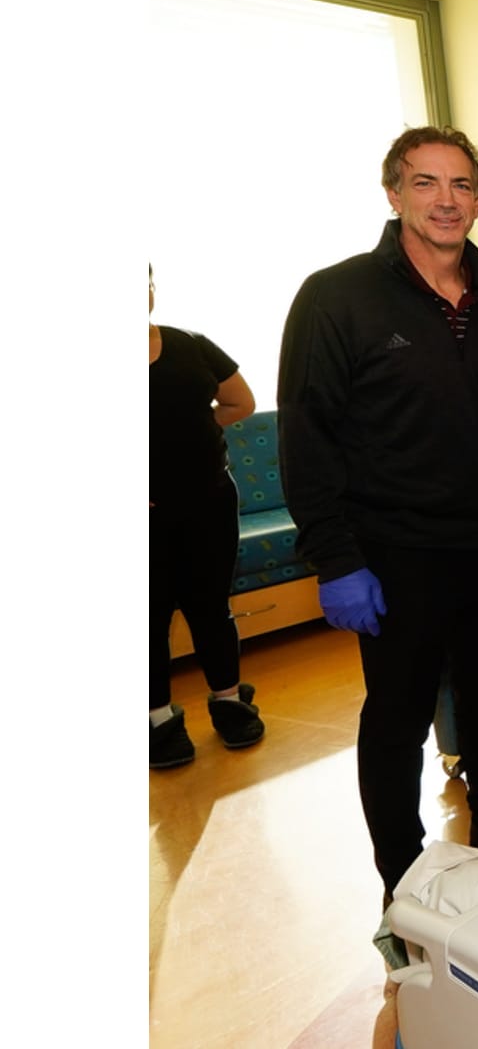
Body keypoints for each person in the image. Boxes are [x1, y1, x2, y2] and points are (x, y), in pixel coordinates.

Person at [279, 126, 478, 901]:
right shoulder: (336, 297)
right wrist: (336, 560)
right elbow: (306, 435)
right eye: (426, 182)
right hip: (394, 554)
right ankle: (400, 872)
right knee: (398, 718)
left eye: (462, 184)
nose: (446, 200)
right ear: (394, 192)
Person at [150, 265, 265, 768]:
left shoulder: (191, 344)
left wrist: (196, 430)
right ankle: (157, 719)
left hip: (209, 500)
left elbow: (240, 401)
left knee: (210, 606)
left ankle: (229, 701)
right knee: (147, 615)